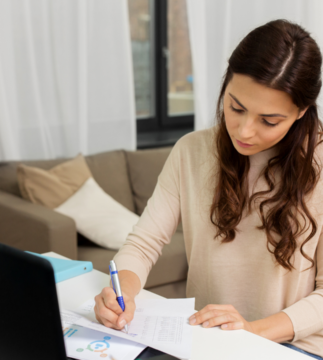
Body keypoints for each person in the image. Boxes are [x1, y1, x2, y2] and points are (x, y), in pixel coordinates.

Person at [94, 19, 323, 359]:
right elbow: (143, 244)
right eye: (236, 107)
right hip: (206, 342)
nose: (244, 131)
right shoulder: (191, 152)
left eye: (269, 121)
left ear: (301, 111)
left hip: (293, 347)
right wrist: (120, 292)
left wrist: (249, 330)